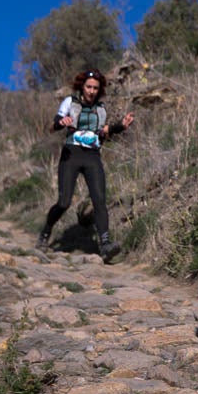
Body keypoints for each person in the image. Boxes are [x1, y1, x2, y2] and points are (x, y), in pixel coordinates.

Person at [37, 70, 134, 262]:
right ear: (82, 86)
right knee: (64, 202)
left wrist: (121, 126)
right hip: (71, 154)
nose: (91, 91)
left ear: (99, 90)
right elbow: (54, 124)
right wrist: (61, 123)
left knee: (99, 200)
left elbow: (104, 132)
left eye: (95, 88)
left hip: (92, 156)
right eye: (89, 87)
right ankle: (46, 232)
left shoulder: (101, 108)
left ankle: (105, 245)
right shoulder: (70, 102)